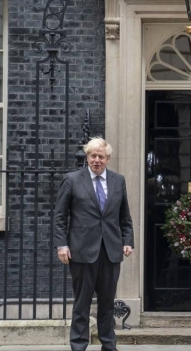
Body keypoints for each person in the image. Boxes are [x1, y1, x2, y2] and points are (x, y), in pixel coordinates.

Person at [54, 137, 134, 351]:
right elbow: (60, 216)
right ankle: (79, 346)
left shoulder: (118, 181)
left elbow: (124, 216)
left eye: (100, 156)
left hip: (110, 251)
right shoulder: (72, 180)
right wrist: (62, 245)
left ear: (108, 159)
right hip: (81, 252)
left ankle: (109, 346)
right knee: (82, 304)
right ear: (87, 157)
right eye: (92, 156)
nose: (96, 160)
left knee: (107, 304)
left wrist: (128, 241)